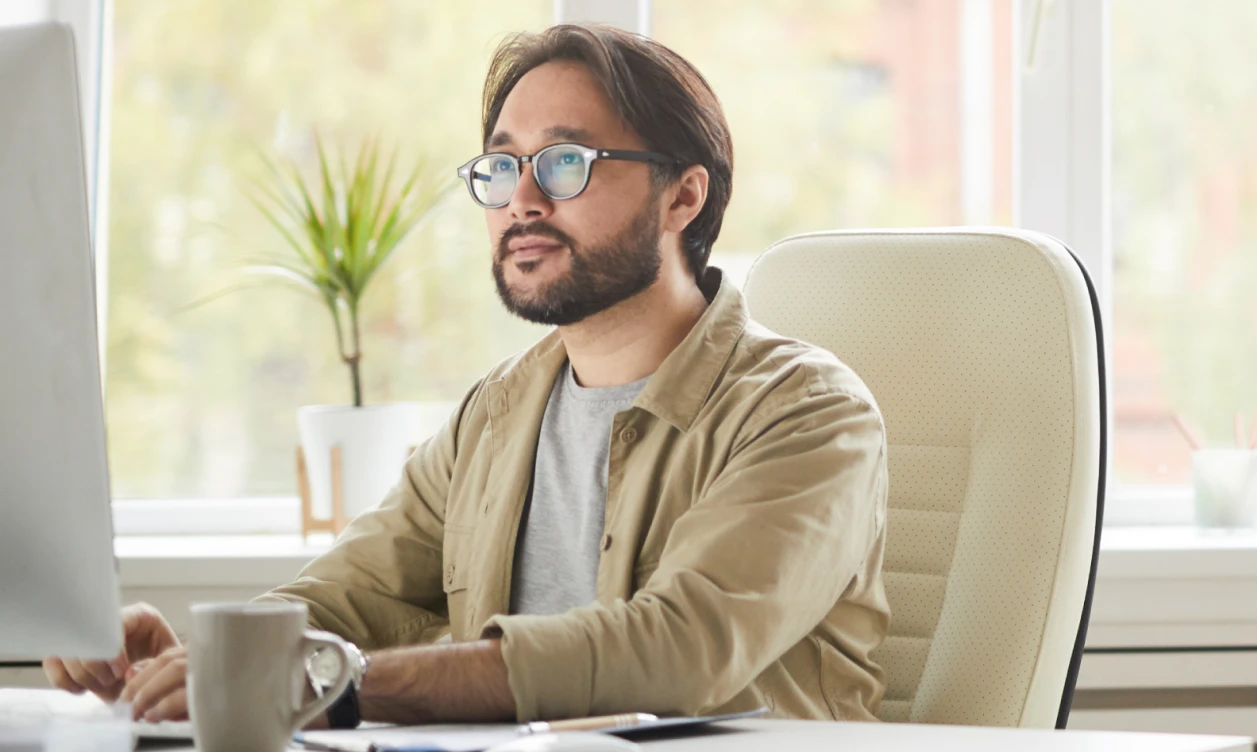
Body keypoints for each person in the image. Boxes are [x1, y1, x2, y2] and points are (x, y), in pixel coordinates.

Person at [45, 23, 889, 726]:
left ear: (683, 198)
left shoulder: (810, 415)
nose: (521, 199)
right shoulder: (497, 411)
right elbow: (346, 597)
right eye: (500, 166)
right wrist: (211, 659)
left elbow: (676, 653)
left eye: (566, 162)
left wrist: (331, 682)